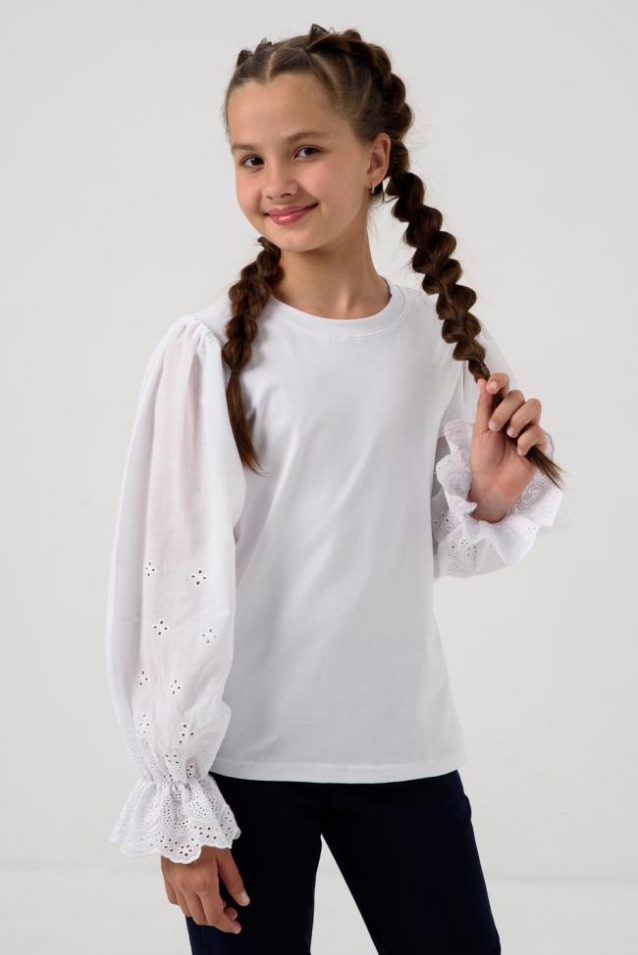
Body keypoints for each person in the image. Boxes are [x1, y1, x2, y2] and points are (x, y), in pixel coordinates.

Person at [104, 23, 568, 955]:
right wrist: (179, 798)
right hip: (242, 769)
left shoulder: (442, 344)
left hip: (402, 748)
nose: (276, 182)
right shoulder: (209, 353)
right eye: (251, 158)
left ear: (376, 158)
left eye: (306, 150)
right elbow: (174, 582)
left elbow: (428, 543)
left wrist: (488, 494)